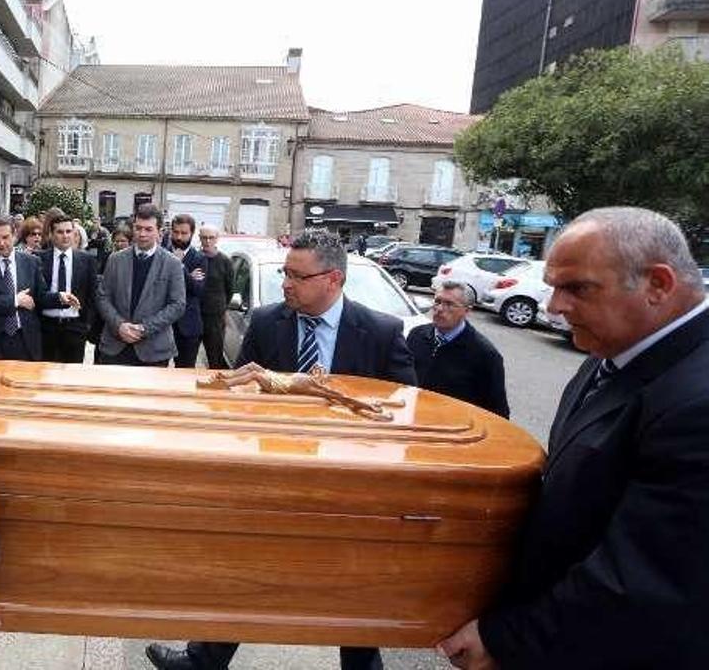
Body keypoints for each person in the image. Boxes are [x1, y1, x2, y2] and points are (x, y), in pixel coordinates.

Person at [438, 207, 709, 670]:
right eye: (553, 286)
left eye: (577, 289)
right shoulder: (611, 350)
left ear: (658, 284)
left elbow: (643, 579)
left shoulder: (697, 402)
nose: (553, 307)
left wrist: (507, 639)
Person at [147, 229, 415, 670]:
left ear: (333, 280)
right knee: (249, 571)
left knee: (352, 586)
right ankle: (203, 660)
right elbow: (240, 401)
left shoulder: (381, 332)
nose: (285, 284)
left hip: (350, 489)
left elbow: (403, 414)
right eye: (284, 274)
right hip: (274, 481)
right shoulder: (267, 321)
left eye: (297, 276)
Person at [0, 214, 77, 361]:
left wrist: (60, 297)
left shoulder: (31, 262)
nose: (1, 243)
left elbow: (40, 296)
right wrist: (15, 301)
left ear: (14, 234)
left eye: (5, 237)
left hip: (25, 340)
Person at [95, 203, 186, 367]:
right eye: (138, 228)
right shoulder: (115, 259)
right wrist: (119, 325)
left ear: (159, 232)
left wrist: (145, 328)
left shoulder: (172, 264)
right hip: (115, 347)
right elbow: (103, 297)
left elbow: (177, 305)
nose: (142, 234)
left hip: (154, 351)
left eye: (148, 229)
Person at [406, 281, 510, 418]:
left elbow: (498, 411)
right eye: (437, 301)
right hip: (411, 418)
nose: (440, 309)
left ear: (467, 311)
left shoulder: (484, 354)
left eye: (449, 304)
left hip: (452, 425)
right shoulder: (417, 334)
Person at [38, 212, 98, 363]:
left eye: (68, 231)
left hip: (75, 328)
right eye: (60, 232)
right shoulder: (38, 259)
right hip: (46, 327)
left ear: (74, 233)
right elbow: (37, 293)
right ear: (51, 234)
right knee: (45, 371)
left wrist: (86, 325)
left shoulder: (87, 260)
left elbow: (92, 295)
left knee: (72, 373)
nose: (65, 236)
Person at [167, 214, 208, 369]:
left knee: (185, 373)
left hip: (188, 326)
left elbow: (197, 290)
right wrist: (190, 276)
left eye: (184, 233)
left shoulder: (199, 258)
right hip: (162, 324)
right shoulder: (162, 254)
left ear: (191, 234)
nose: (179, 237)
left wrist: (180, 266)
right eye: (176, 232)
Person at [198, 224, 235, 369]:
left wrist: (223, 308)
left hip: (215, 317)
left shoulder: (225, 261)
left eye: (211, 238)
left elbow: (230, 288)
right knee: (186, 358)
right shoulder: (195, 258)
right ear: (199, 238)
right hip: (195, 314)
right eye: (204, 238)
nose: (207, 241)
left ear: (217, 239)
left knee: (215, 358)